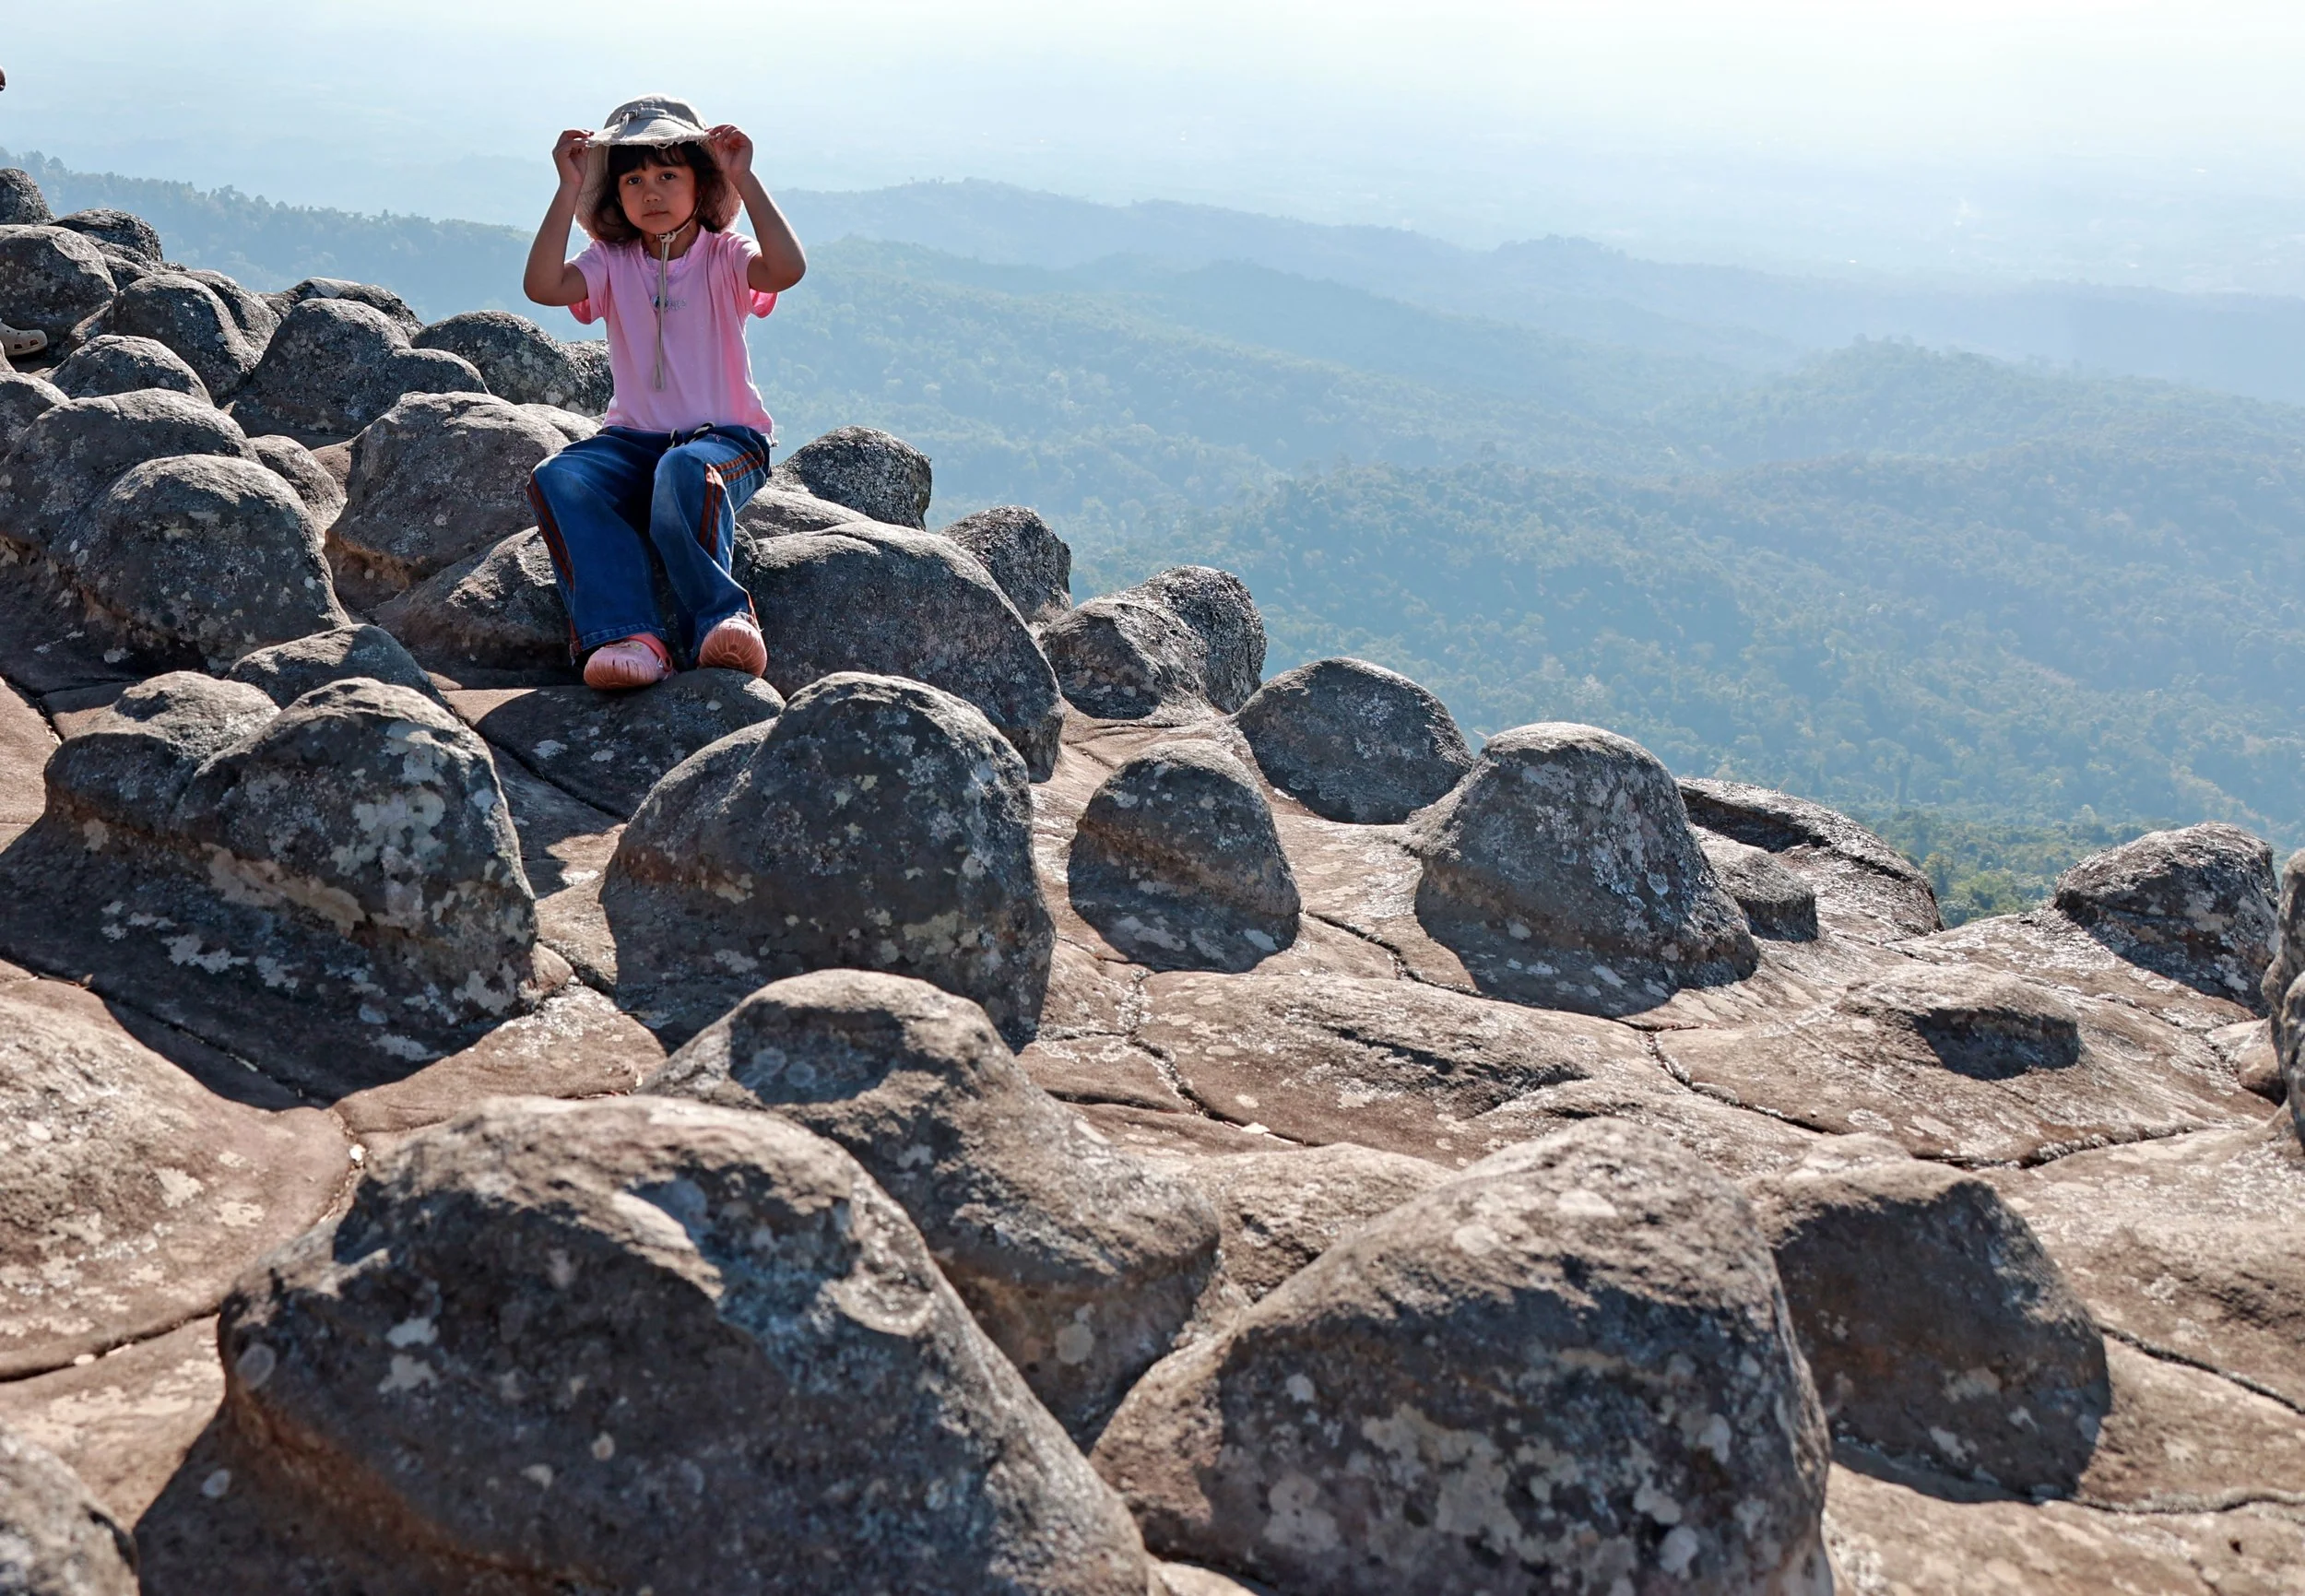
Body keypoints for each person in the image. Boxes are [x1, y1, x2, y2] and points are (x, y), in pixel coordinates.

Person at [522, 95, 806, 690]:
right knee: (560, 477)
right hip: (632, 440)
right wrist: (566, 187)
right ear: (615, 196)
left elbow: (785, 269)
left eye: (669, 175)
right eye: (633, 179)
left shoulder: (724, 255)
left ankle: (723, 619)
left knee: (683, 469)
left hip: (727, 440)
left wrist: (745, 179)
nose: (651, 192)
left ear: (701, 187)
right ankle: (631, 635)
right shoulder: (611, 260)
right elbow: (543, 286)